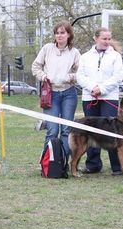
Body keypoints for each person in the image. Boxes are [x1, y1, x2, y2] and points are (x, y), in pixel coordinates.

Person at [76, 27, 123, 176]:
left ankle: (117, 166)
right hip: (90, 97)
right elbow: (80, 76)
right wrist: (92, 88)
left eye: (109, 39)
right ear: (96, 38)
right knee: (91, 131)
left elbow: (117, 77)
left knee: (111, 131)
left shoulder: (115, 56)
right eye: (104, 39)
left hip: (109, 98)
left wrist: (101, 89)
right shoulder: (85, 56)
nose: (107, 42)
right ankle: (93, 165)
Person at [32, 21, 80, 159]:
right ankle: (47, 162)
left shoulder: (75, 52)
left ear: (69, 34)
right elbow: (35, 67)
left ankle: (62, 162)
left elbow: (81, 73)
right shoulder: (47, 48)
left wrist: (69, 77)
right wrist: (44, 76)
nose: (59, 35)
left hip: (68, 94)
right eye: (57, 33)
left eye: (62, 33)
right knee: (52, 130)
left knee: (66, 130)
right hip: (50, 94)